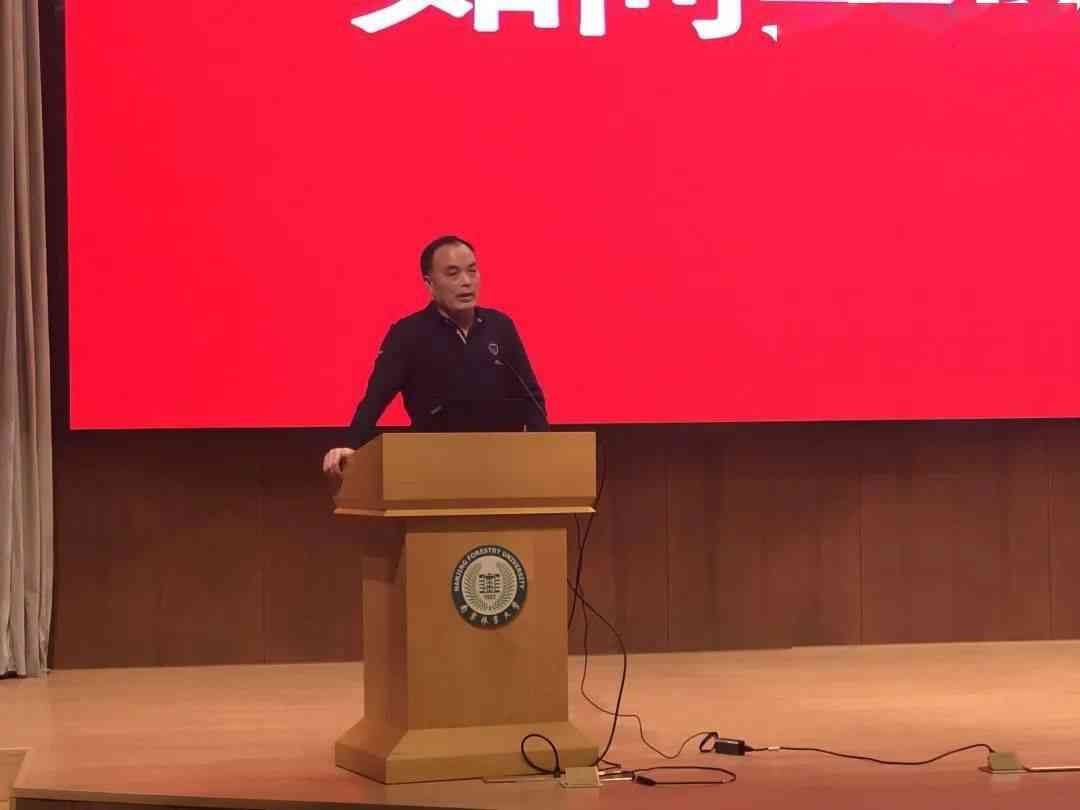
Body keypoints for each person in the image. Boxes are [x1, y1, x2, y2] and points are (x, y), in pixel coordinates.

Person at [322, 235, 547, 477]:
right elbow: (375, 399)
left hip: (500, 463)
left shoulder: (500, 326)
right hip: (435, 465)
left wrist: (542, 448)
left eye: (472, 271)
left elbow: (531, 396)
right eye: (453, 273)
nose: (466, 282)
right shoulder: (407, 334)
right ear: (429, 284)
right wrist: (351, 444)